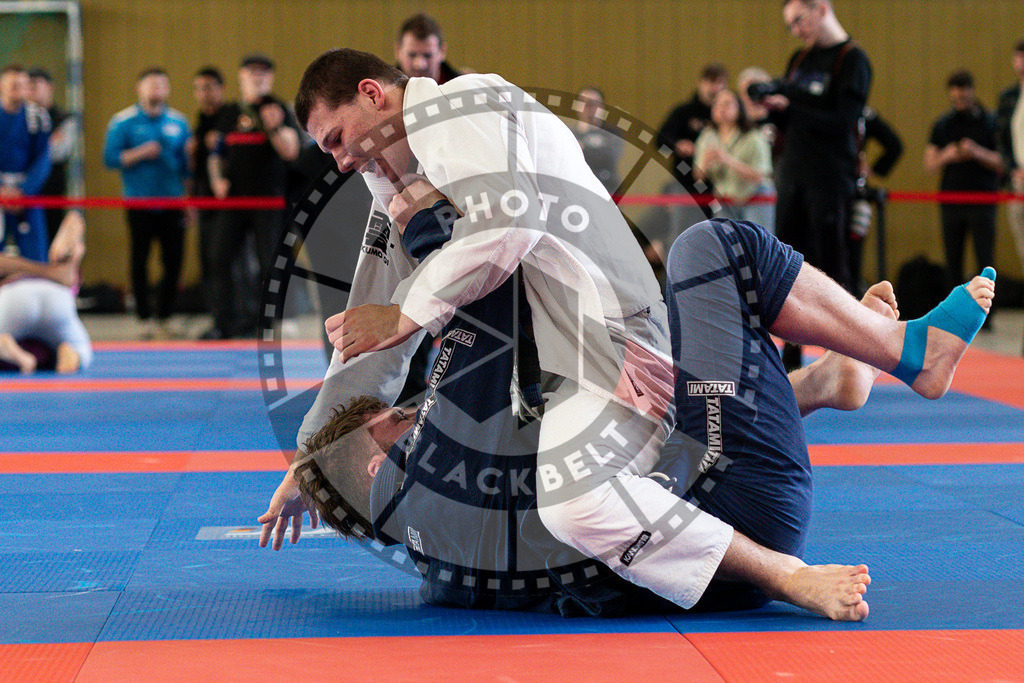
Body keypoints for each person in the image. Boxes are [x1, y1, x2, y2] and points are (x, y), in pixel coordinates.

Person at [261, 47, 994, 616]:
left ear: (372, 95)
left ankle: (892, 354)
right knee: (576, 484)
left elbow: (506, 225)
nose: (340, 159)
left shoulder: (456, 108)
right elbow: (363, 351)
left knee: (703, 258)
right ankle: (831, 382)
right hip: (583, 372)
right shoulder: (397, 180)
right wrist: (312, 456)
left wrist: (406, 317)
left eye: (337, 138)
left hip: (617, 337)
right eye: (328, 151)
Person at [767, 0, 872, 370]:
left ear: (821, 9)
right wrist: (771, 108)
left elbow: (844, 122)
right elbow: (790, 118)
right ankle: (791, 351)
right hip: (792, 176)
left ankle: (846, 353)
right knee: (789, 266)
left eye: (799, 20)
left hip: (830, 179)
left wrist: (791, 108)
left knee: (832, 267)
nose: (796, 30)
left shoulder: (853, 60)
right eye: (790, 25)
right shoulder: (799, 59)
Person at [205, 54, 300, 339]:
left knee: (271, 260)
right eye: (251, 73)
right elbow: (215, 154)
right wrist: (216, 180)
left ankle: (272, 321)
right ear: (241, 76)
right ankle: (225, 321)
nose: (257, 78)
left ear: (270, 78)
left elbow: (291, 151)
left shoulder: (278, 108)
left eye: (263, 74)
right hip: (234, 199)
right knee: (219, 258)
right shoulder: (230, 112)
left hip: (268, 201)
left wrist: (272, 127)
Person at [102, 67, 191, 340]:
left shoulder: (179, 122)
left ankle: (166, 315)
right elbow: (110, 158)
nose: (157, 90)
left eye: (162, 85)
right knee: (139, 260)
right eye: (151, 84)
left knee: (174, 261)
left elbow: (188, 167)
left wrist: (189, 201)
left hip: (173, 202)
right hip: (139, 202)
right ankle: (143, 317)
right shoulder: (122, 121)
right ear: (139, 88)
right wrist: (141, 153)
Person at [925, 70, 1004, 292]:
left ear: (972, 92)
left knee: (985, 259)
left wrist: (977, 152)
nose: (960, 101)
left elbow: (1003, 161)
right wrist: (948, 154)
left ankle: (987, 312)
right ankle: (955, 312)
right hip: (952, 200)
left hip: (983, 200)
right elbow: (930, 165)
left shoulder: (990, 122)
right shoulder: (943, 125)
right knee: (953, 260)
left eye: (964, 97)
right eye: (956, 98)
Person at [188, 67, 246, 327]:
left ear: (221, 89)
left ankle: (233, 319)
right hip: (205, 202)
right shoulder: (199, 122)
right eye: (200, 88)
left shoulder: (232, 116)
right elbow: (194, 167)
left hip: (230, 201)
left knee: (225, 260)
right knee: (209, 261)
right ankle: (219, 318)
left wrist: (221, 141)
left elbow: (223, 156)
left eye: (210, 87)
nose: (205, 94)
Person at [0, 211, 91, 374]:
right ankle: (74, 355)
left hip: (14, 295)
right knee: (80, 348)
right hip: (57, 294)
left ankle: (19, 356)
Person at [693, 89, 774, 231]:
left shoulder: (754, 137)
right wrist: (705, 163)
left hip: (755, 196)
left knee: (757, 245)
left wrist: (727, 159)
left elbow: (760, 175)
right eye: (717, 104)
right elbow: (698, 176)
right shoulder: (707, 136)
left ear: (739, 109)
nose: (721, 108)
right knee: (727, 247)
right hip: (725, 199)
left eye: (727, 104)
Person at [0, 64, 51, 262]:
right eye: (14, 85)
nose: (19, 90)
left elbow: (42, 159)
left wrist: (24, 190)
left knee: (35, 254)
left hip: (26, 195)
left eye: (23, 85)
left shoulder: (38, 117)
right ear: (2, 86)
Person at [27, 68, 77, 245]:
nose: (31, 91)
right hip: (25, 192)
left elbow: (60, 152)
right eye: (27, 87)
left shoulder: (65, 118)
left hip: (53, 191)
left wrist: (32, 149)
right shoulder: (20, 118)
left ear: (50, 87)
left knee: (53, 241)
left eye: (35, 86)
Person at [996, 40, 1024, 281]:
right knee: (1022, 246)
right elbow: (1001, 140)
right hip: (1017, 182)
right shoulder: (1009, 97)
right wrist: (1012, 170)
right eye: (1019, 57)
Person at [572, 87, 623, 194]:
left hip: (607, 189)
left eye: (596, 104)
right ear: (577, 105)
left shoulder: (612, 133)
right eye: (586, 103)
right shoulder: (568, 133)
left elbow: (610, 157)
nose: (591, 108)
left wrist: (582, 148)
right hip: (578, 190)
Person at [395, 13, 461, 84]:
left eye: (427, 55)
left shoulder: (464, 89)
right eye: (412, 55)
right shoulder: (384, 92)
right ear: (398, 51)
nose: (419, 64)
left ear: (442, 51)